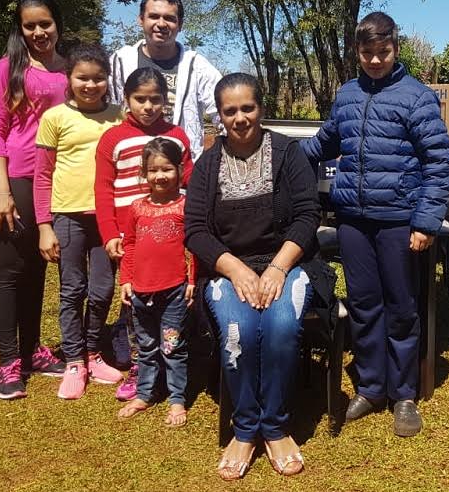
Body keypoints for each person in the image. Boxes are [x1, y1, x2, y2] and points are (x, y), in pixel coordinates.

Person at [302, 11, 449, 437]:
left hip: (399, 222)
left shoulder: (416, 97)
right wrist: (277, 155)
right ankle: (370, 388)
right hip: (352, 220)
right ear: (357, 52)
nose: (374, 60)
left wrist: (425, 221)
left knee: (401, 307)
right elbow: (326, 142)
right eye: (367, 53)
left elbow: (438, 162)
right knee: (365, 305)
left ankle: (403, 394)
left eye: (382, 52)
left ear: (395, 49)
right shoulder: (347, 94)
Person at [185, 73, 333, 480]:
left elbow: (307, 215)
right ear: (219, 115)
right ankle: (246, 427)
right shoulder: (207, 164)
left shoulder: (288, 154)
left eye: (247, 108)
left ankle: (277, 425)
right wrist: (234, 269)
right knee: (241, 331)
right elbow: (195, 229)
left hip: (288, 263)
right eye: (229, 111)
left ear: (260, 109)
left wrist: (277, 268)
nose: (239, 118)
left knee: (282, 326)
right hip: (229, 268)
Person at [0, 0, 68, 399]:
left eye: (45, 23)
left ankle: (34, 350)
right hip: (15, 180)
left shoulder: (70, 71)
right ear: (21, 29)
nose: (38, 32)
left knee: (38, 269)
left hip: (53, 183)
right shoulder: (8, 69)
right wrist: (1, 190)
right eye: (30, 25)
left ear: (57, 24)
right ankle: (8, 362)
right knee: (11, 270)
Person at [94, 67, 193, 402]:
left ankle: (171, 364)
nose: (148, 106)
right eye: (140, 99)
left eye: (156, 99)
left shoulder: (177, 135)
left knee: (168, 294)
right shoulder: (112, 138)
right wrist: (109, 232)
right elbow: (103, 188)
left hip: (169, 229)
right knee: (133, 299)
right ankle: (139, 366)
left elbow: (191, 178)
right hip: (128, 232)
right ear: (126, 99)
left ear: (166, 101)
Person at [34, 43, 125, 400]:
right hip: (68, 216)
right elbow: (43, 175)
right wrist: (44, 226)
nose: (90, 85)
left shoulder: (119, 116)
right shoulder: (54, 118)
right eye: (82, 78)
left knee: (102, 290)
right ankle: (73, 360)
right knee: (72, 289)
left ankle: (93, 352)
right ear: (69, 79)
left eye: (98, 78)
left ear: (108, 79)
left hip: (107, 218)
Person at [116, 138, 194, 427]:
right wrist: (126, 279)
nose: (160, 176)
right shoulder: (137, 207)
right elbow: (131, 245)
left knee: (172, 347)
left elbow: (194, 248)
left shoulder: (186, 206)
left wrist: (192, 281)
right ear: (144, 173)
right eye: (153, 170)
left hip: (174, 291)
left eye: (167, 169)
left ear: (179, 169)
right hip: (140, 292)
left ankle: (176, 399)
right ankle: (145, 394)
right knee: (146, 347)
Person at [108, 0, 221, 162]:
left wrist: (213, 162)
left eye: (169, 18)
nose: (161, 24)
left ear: (180, 24)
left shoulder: (197, 66)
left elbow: (225, 112)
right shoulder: (120, 61)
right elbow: (104, 112)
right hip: (128, 167)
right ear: (141, 20)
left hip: (180, 171)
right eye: (154, 16)